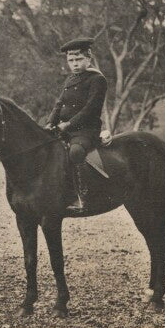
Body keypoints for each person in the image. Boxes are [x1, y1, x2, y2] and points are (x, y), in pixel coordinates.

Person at [45, 37, 108, 212]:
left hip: (86, 130)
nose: (75, 64)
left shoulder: (97, 79)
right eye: (71, 60)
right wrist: (50, 122)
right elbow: (59, 104)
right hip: (66, 129)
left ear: (88, 58)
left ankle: (80, 195)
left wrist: (68, 124)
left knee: (76, 152)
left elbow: (91, 109)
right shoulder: (70, 79)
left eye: (79, 59)